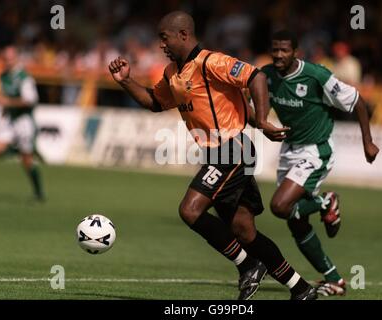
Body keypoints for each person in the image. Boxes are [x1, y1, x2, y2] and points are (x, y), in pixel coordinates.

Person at [109, 11, 317, 300]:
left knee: (189, 210)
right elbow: (155, 102)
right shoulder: (172, 73)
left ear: (183, 35)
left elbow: (255, 76)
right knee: (244, 231)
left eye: (164, 37)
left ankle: (248, 265)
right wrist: (126, 81)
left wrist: (264, 118)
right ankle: (301, 289)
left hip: (233, 149)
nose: (161, 45)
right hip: (217, 154)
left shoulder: (212, 62)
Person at [259, 30, 379, 296]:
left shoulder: (316, 75)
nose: (279, 55)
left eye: (284, 50)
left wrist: (367, 142)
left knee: (280, 206)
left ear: (296, 52)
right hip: (288, 151)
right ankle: (335, 280)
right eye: (275, 49)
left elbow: (358, 100)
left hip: (315, 151)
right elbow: (259, 110)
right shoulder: (266, 75)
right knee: (296, 220)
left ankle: (325, 201)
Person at [0, 45, 44, 201]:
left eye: (10, 59)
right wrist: (3, 110)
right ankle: (18, 151)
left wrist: (8, 102)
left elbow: (31, 100)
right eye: (5, 59)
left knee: (27, 162)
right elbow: (3, 95)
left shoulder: (24, 77)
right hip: (10, 120)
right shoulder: (3, 76)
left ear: (16, 58)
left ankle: (38, 193)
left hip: (24, 121)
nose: (7, 62)